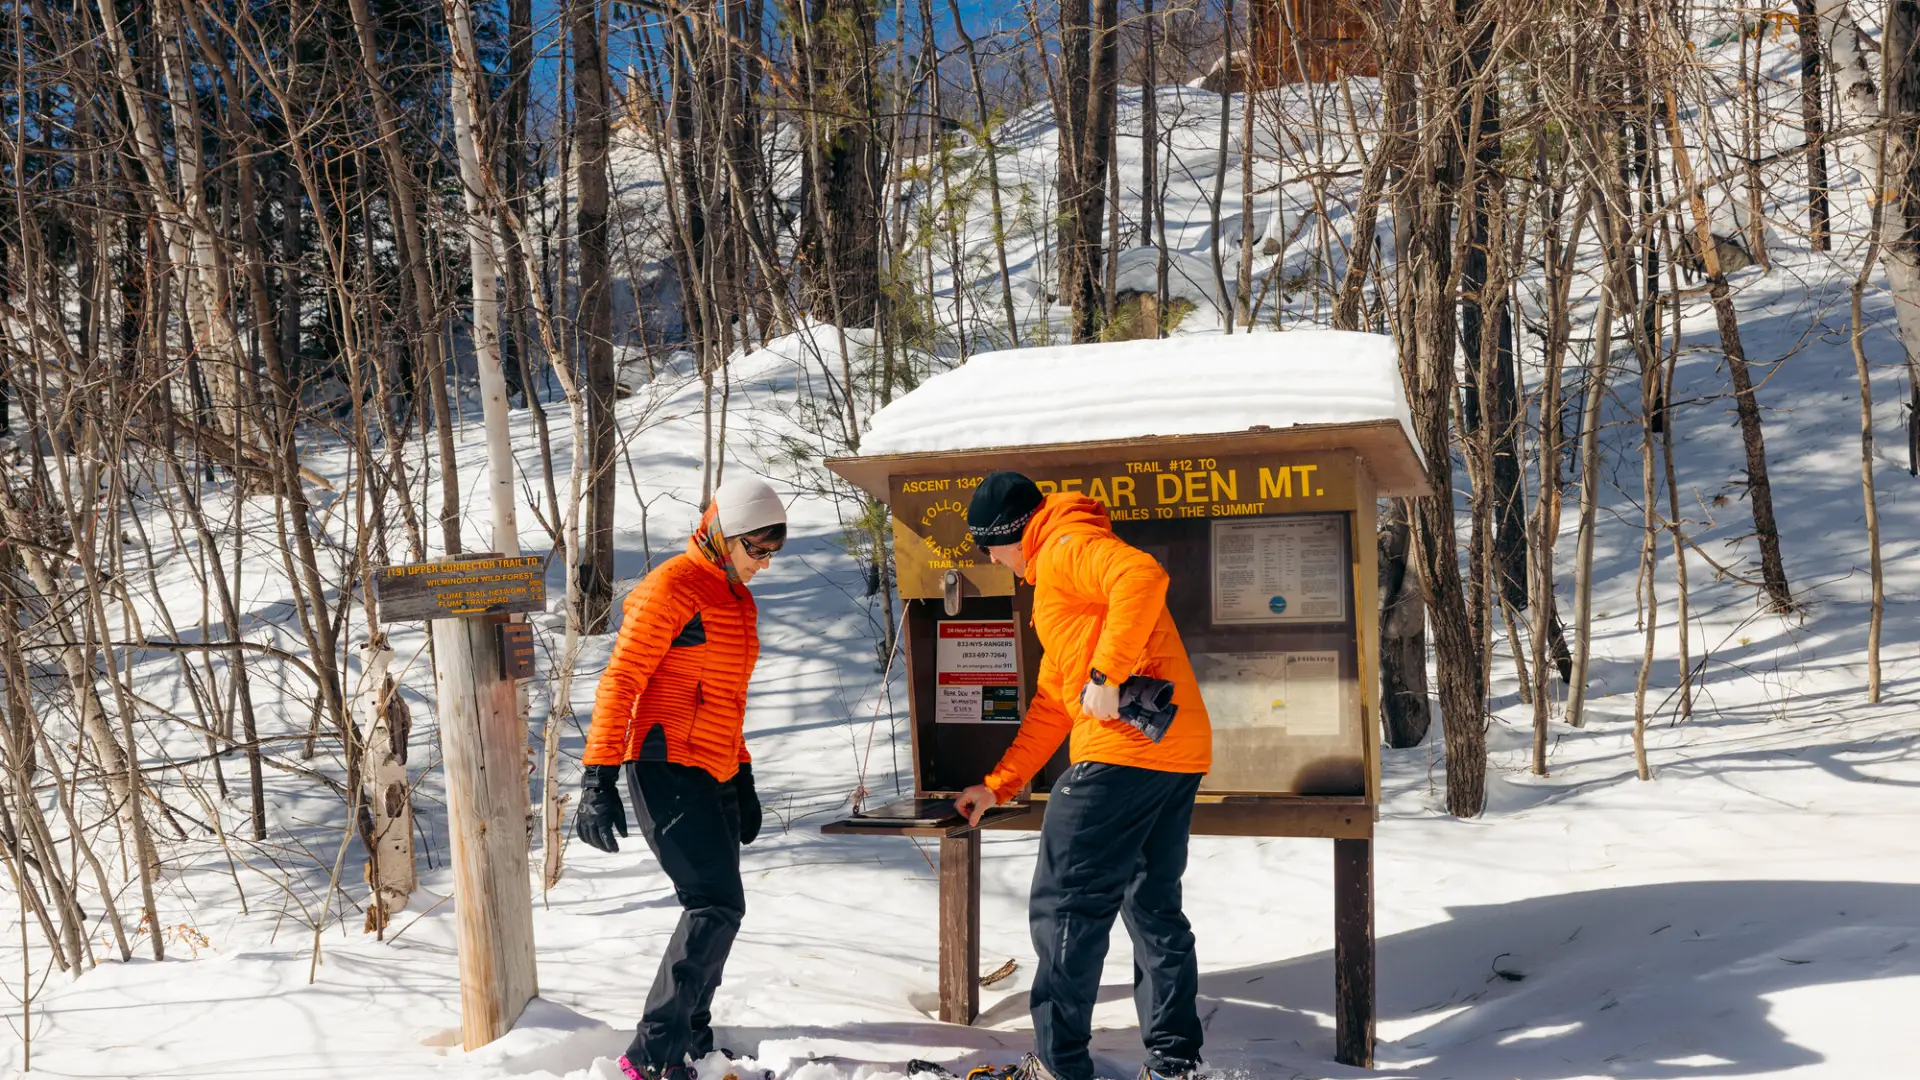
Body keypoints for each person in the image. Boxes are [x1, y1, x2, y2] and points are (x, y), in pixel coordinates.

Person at [952, 471, 1213, 1080]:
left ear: (1013, 533)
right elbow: (1051, 702)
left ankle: (1057, 1065)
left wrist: (1107, 674)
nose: (989, 558)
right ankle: (1175, 1064)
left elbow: (1142, 576)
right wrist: (1000, 784)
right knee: (1152, 907)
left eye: (989, 545)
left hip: (1121, 754)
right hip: (1172, 753)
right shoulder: (1058, 583)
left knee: (1067, 907)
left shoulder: (1064, 547)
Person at [575, 475, 788, 1080]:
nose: (764, 566)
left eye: (774, 553)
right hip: (664, 763)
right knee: (713, 902)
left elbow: (727, 699)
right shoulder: (670, 588)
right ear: (725, 535)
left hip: (715, 768)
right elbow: (621, 683)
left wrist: (743, 778)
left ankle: (694, 1040)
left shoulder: (736, 598)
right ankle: (650, 1058)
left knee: (724, 906)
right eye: (758, 551)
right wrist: (599, 777)